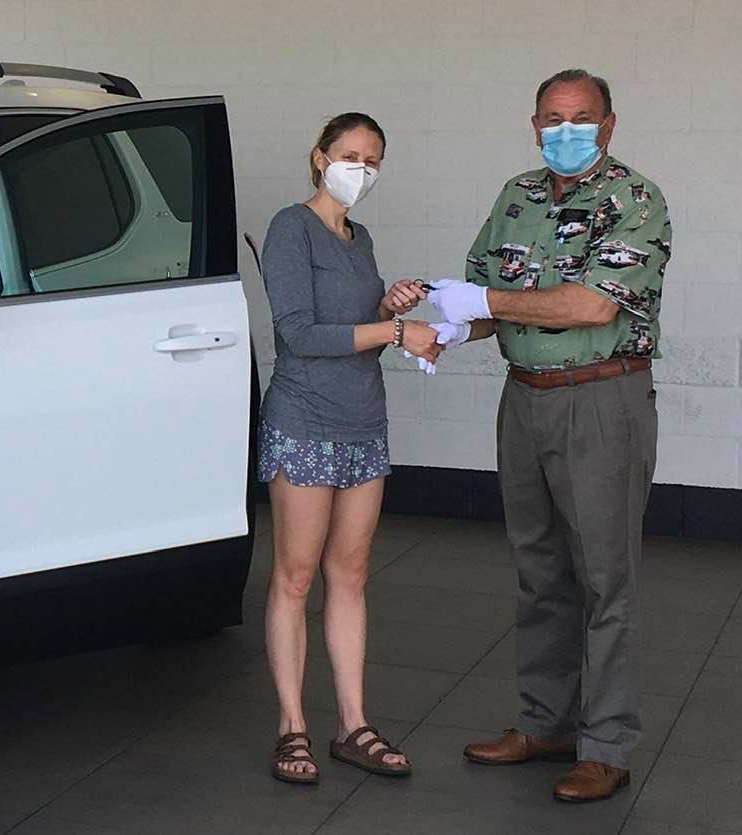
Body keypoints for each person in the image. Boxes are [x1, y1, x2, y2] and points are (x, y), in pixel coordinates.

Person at [425, 69, 671, 803]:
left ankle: (607, 745)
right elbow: (482, 300)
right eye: (553, 119)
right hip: (525, 398)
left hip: (601, 398)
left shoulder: (634, 199)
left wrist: (485, 301)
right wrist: (445, 329)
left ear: (608, 124)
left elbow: (592, 306)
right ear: (534, 125)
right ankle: (545, 723)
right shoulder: (517, 196)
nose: (566, 131)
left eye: (581, 118)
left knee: (604, 579)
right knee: (539, 572)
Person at [259, 112, 438, 784]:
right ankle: (292, 727)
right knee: (295, 576)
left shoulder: (360, 239)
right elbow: (299, 334)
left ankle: (352, 724)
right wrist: (394, 333)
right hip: (304, 420)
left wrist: (389, 310)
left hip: (363, 422)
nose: (360, 169)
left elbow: (357, 334)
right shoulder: (290, 227)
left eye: (372, 160)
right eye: (350, 156)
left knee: (351, 574)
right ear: (320, 157)